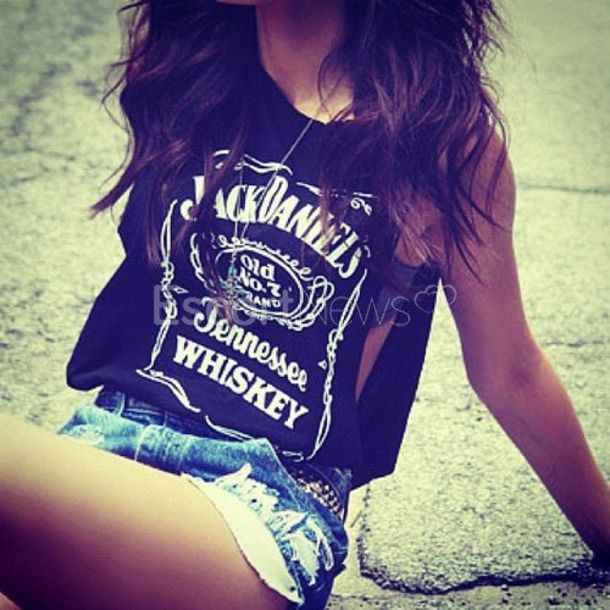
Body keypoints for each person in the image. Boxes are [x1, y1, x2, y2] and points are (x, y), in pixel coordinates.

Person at [1, 0, 609, 608]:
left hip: (261, 509)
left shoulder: (441, 144)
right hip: (109, 446)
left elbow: (510, 372)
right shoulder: (188, 74)